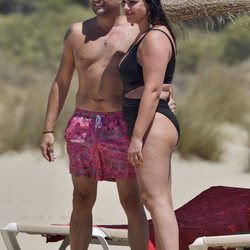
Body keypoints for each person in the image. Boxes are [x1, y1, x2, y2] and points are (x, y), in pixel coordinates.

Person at [40, 0, 176, 249]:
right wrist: (48, 128)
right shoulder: (76, 33)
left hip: (122, 123)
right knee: (80, 198)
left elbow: (157, 75)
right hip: (83, 122)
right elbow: (61, 81)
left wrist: (168, 97)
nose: (96, 0)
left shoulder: (139, 31)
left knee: (132, 200)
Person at [119, 0, 180, 249]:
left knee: (155, 200)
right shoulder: (146, 34)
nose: (126, 7)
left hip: (152, 125)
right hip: (150, 122)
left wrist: (136, 138)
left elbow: (153, 91)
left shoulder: (155, 37)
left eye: (133, 1)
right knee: (157, 199)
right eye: (123, 2)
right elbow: (161, 84)